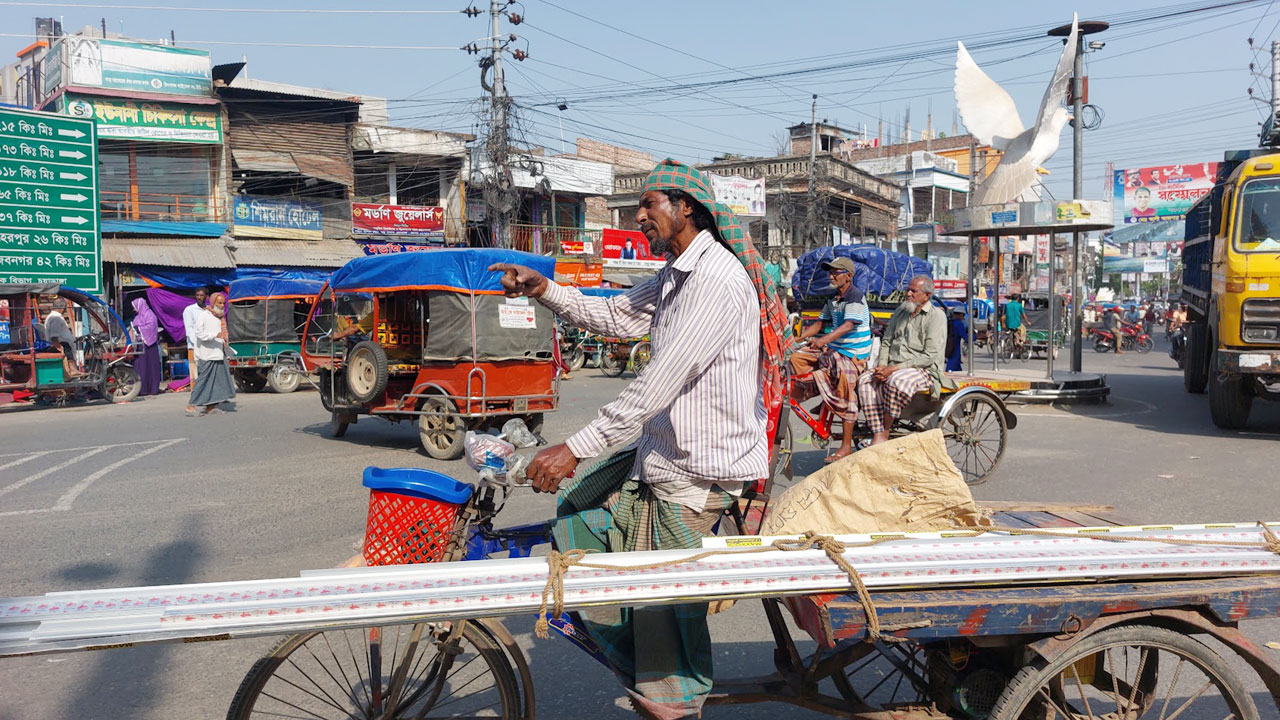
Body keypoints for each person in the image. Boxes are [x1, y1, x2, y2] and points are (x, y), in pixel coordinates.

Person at [489, 158, 793, 720]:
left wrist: (575, 447)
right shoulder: (677, 272)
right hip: (661, 460)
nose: (639, 216)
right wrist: (546, 289)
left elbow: (656, 385)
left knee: (658, 612)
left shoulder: (716, 280)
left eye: (649, 204)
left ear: (686, 209)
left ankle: (672, 701)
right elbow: (611, 315)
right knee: (576, 517)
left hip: (696, 473)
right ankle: (642, 665)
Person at [789, 256, 871, 462]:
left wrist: (823, 340)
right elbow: (818, 325)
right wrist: (795, 339)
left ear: (849, 276)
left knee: (844, 389)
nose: (831, 275)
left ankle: (845, 446)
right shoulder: (833, 300)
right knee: (797, 358)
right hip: (832, 351)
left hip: (852, 356)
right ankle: (819, 395)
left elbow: (848, 325)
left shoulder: (855, 296)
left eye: (836, 272)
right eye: (830, 272)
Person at [856, 276, 956, 446]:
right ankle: (878, 431)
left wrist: (893, 369)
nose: (908, 294)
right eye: (907, 290)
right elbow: (887, 340)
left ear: (927, 295)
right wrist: (881, 366)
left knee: (896, 381)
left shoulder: (936, 316)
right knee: (865, 381)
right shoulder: (901, 311)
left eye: (913, 291)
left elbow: (929, 356)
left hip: (924, 370)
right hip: (893, 365)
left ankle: (885, 431)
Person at [187, 291, 236, 416]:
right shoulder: (204, 315)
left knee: (215, 381)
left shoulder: (220, 317)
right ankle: (191, 405)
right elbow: (199, 333)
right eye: (219, 303)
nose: (221, 306)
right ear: (213, 302)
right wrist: (215, 335)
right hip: (206, 354)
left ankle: (211, 406)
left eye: (223, 303)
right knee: (203, 380)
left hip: (218, 353)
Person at [130, 297, 162, 396]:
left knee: (151, 367)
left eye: (135, 307)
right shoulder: (138, 317)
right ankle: (141, 389)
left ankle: (152, 389)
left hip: (150, 346)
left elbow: (151, 327)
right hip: (140, 345)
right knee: (140, 367)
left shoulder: (150, 315)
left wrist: (138, 329)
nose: (134, 309)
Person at [44, 297, 83, 379]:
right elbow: (54, 336)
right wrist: (59, 348)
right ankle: (72, 369)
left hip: (62, 344)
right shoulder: (56, 318)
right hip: (62, 345)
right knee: (67, 347)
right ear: (62, 308)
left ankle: (73, 369)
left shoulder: (53, 317)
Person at [182, 287, 208, 391]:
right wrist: (197, 343)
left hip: (207, 346)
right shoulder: (189, 310)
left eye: (201, 295)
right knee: (195, 373)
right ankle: (195, 395)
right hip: (194, 346)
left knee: (206, 371)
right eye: (197, 295)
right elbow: (189, 329)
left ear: (206, 297)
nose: (199, 297)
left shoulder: (209, 310)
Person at [945, 305, 968, 372]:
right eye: (963, 316)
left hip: (949, 346)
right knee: (951, 367)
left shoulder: (950, 322)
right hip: (955, 347)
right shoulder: (959, 324)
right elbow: (965, 337)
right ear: (961, 315)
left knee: (957, 367)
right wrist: (975, 337)